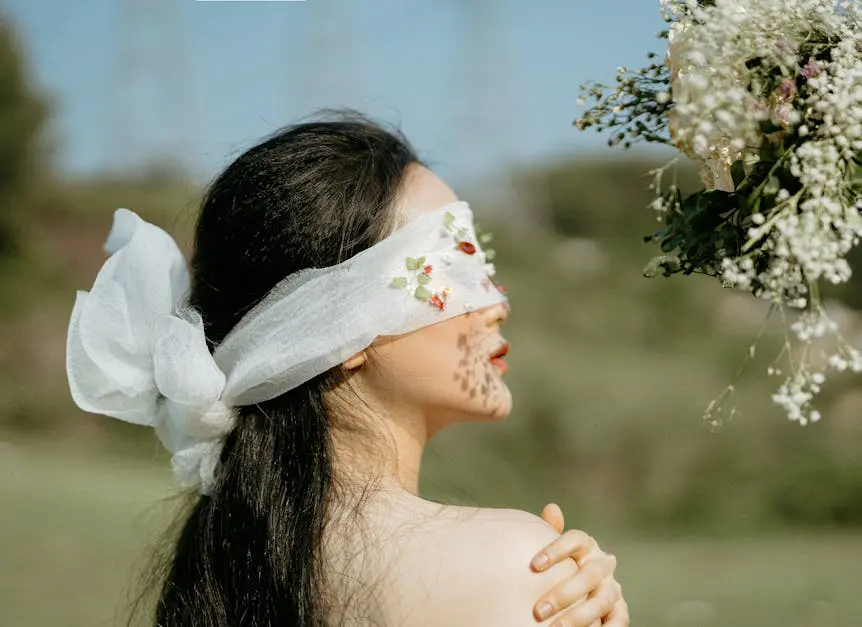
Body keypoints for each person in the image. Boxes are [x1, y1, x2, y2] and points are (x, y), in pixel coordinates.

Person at [66, 113, 629, 626]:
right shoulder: (521, 567)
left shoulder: (229, 560)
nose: (496, 303)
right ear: (342, 327)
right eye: (454, 266)